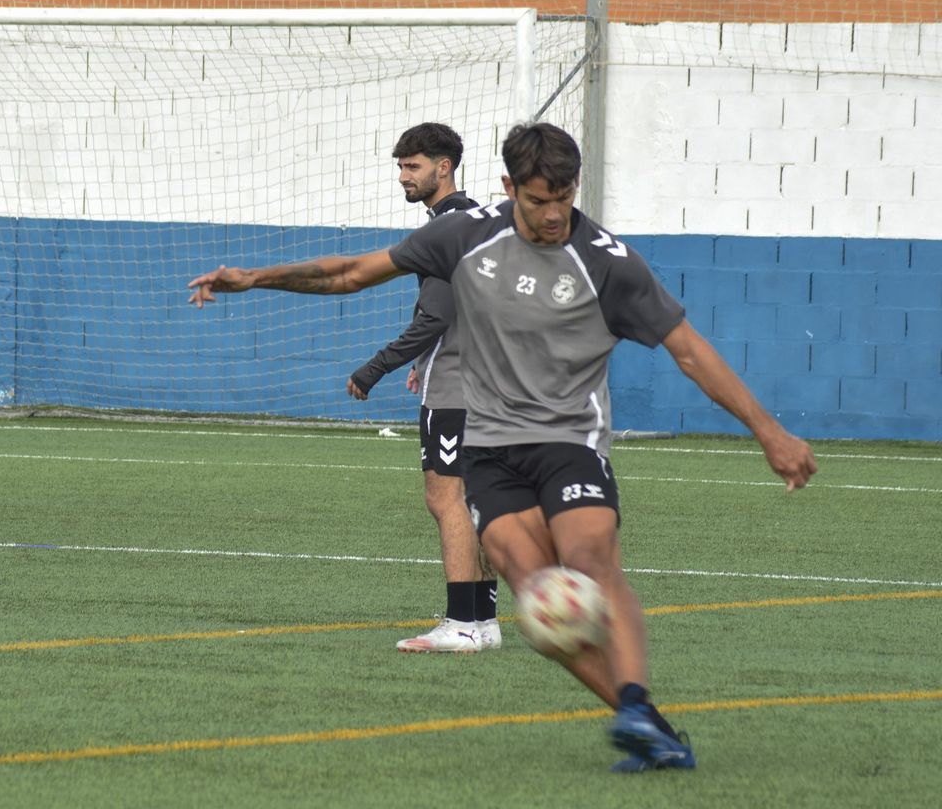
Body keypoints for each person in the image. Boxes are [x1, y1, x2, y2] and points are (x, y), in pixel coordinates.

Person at [188, 122, 817, 772]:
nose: (553, 214)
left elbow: (688, 350)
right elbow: (352, 273)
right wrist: (254, 278)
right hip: (489, 450)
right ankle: (646, 724)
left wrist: (769, 432)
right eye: (538, 200)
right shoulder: (464, 235)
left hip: (568, 441)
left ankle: (632, 697)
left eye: (564, 198)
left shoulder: (607, 262)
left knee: (591, 560)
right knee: (542, 607)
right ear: (509, 187)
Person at [345, 123, 499, 653]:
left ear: (444, 167)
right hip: (489, 380)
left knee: (446, 499)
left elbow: (436, 315)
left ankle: (460, 624)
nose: (403, 177)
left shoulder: (447, 228)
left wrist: (375, 368)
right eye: (401, 167)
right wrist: (423, 359)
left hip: (457, 386)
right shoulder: (477, 218)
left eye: (413, 167)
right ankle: (484, 621)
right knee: (474, 501)